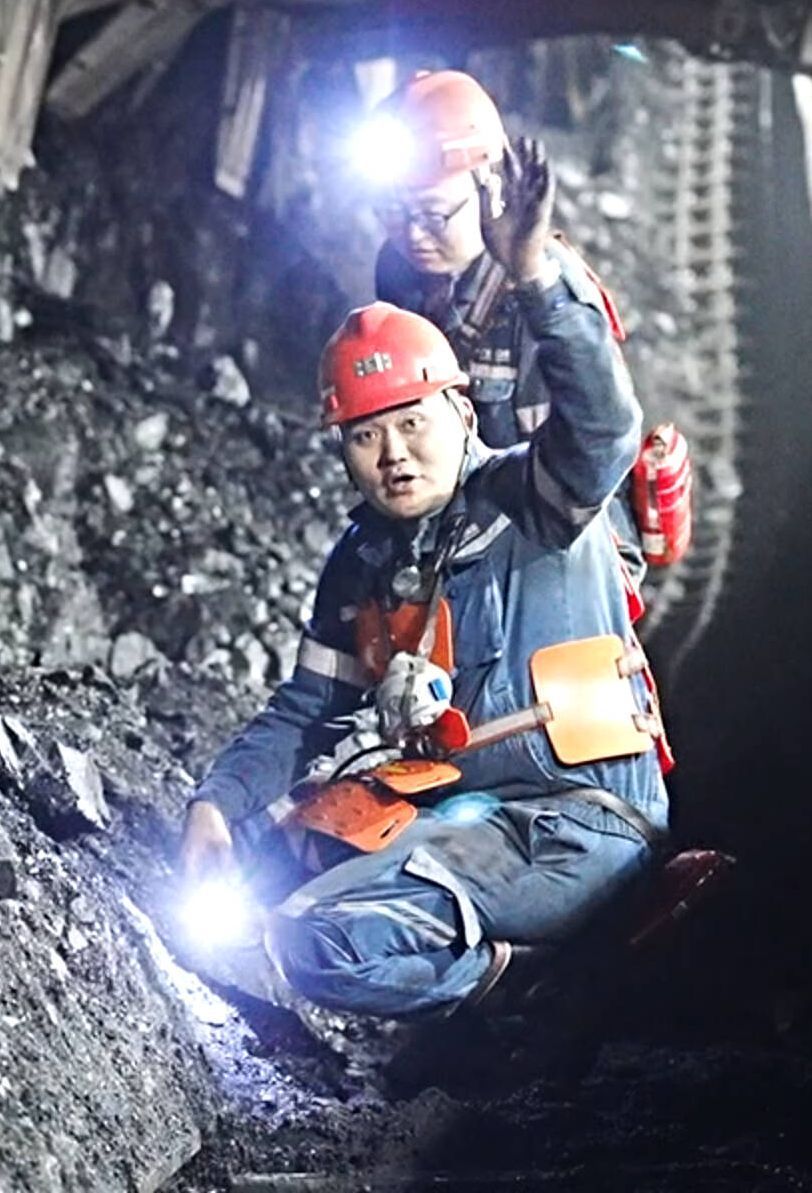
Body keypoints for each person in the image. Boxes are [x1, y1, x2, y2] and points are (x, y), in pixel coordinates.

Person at [179, 138, 670, 1019]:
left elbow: (604, 426)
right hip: (464, 818)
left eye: (411, 423)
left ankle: (519, 999)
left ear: (459, 409)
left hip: (577, 820)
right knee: (266, 876)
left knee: (319, 937)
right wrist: (216, 804)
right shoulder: (367, 558)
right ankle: (493, 975)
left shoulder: (537, 498)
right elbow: (307, 709)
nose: (393, 455)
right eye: (366, 436)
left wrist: (534, 274)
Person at [356, 70, 694, 606]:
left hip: (555, 552)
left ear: (490, 189)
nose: (413, 234)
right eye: (393, 212)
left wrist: (532, 275)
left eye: (434, 215)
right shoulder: (401, 273)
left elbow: (605, 435)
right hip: (460, 542)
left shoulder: (545, 285)